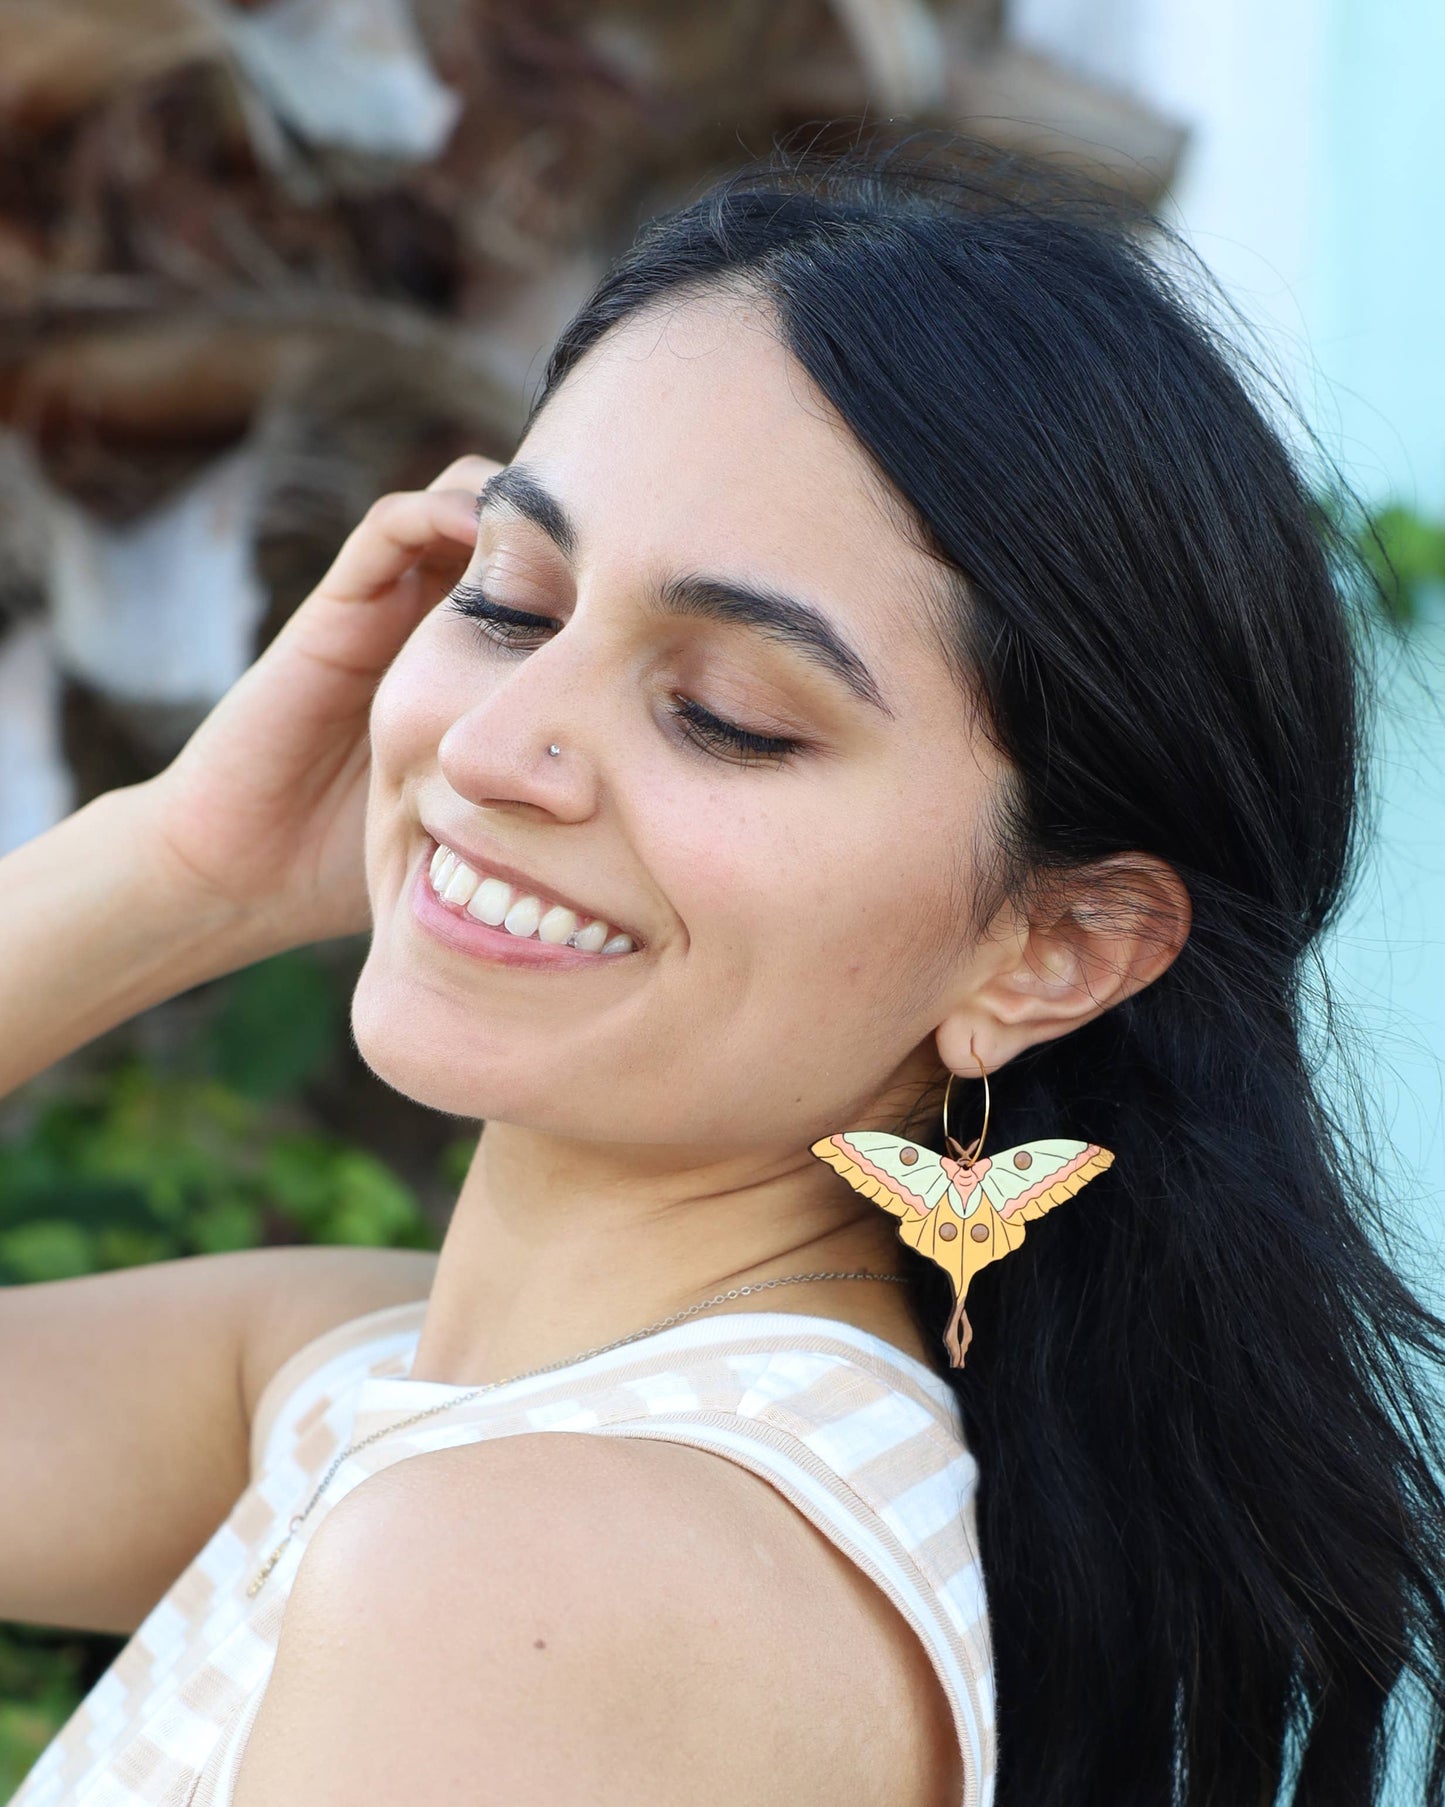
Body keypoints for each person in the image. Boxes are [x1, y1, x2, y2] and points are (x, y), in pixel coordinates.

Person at [4, 130, 1445, 1807]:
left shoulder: (544, 1566)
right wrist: (181, 865)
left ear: (1051, 948)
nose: (497, 744)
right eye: (510, 600)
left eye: (725, 716)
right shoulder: (377, 1386)